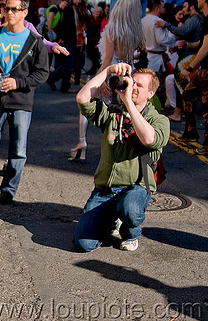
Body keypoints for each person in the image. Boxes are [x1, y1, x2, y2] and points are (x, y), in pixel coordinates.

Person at [74, 63, 170, 252]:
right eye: (131, 82)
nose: (132, 87)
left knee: (130, 209)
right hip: (105, 189)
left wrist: (128, 104)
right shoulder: (113, 114)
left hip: (135, 187)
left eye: (139, 86)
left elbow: (149, 139)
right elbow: (82, 98)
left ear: (150, 94)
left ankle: (131, 233)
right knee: (84, 244)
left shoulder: (159, 120)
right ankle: (111, 220)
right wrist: (107, 71)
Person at [0, 0, 49, 205]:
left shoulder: (34, 40)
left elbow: (42, 73)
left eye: (14, 9)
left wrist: (19, 82)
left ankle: (8, 189)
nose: (9, 13)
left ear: (24, 12)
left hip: (21, 102)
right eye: (5, 8)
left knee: (18, 151)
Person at [70, 0, 144, 160]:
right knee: (123, 111)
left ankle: (82, 141)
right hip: (128, 72)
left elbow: (108, 59)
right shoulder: (137, 30)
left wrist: (102, 79)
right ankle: (122, 146)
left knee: (86, 103)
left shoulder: (113, 29)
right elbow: (137, 55)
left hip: (111, 72)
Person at [155, 0, 203, 122]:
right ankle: (183, 113)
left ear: (192, 7)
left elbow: (183, 32)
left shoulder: (193, 19)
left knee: (181, 84)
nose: (183, 9)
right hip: (189, 55)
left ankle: (179, 113)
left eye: (185, 6)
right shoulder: (197, 19)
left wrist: (166, 25)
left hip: (187, 57)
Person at [176, 0, 208, 155]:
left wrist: (189, 68)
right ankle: (190, 131)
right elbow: (202, 45)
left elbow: (206, 47)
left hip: (206, 71)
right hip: (203, 69)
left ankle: (207, 145)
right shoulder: (205, 19)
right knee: (187, 94)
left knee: (207, 109)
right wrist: (187, 45)